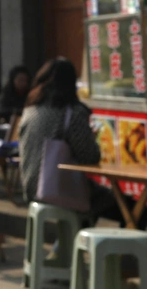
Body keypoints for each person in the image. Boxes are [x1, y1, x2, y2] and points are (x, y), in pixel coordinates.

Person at [19, 58, 131, 226]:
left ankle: (70, 241)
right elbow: (90, 156)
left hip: (31, 189)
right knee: (129, 207)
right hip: (56, 190)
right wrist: (91, 138)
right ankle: (108, 244)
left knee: (87, 197)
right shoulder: (71, 113)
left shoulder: (30, 111)